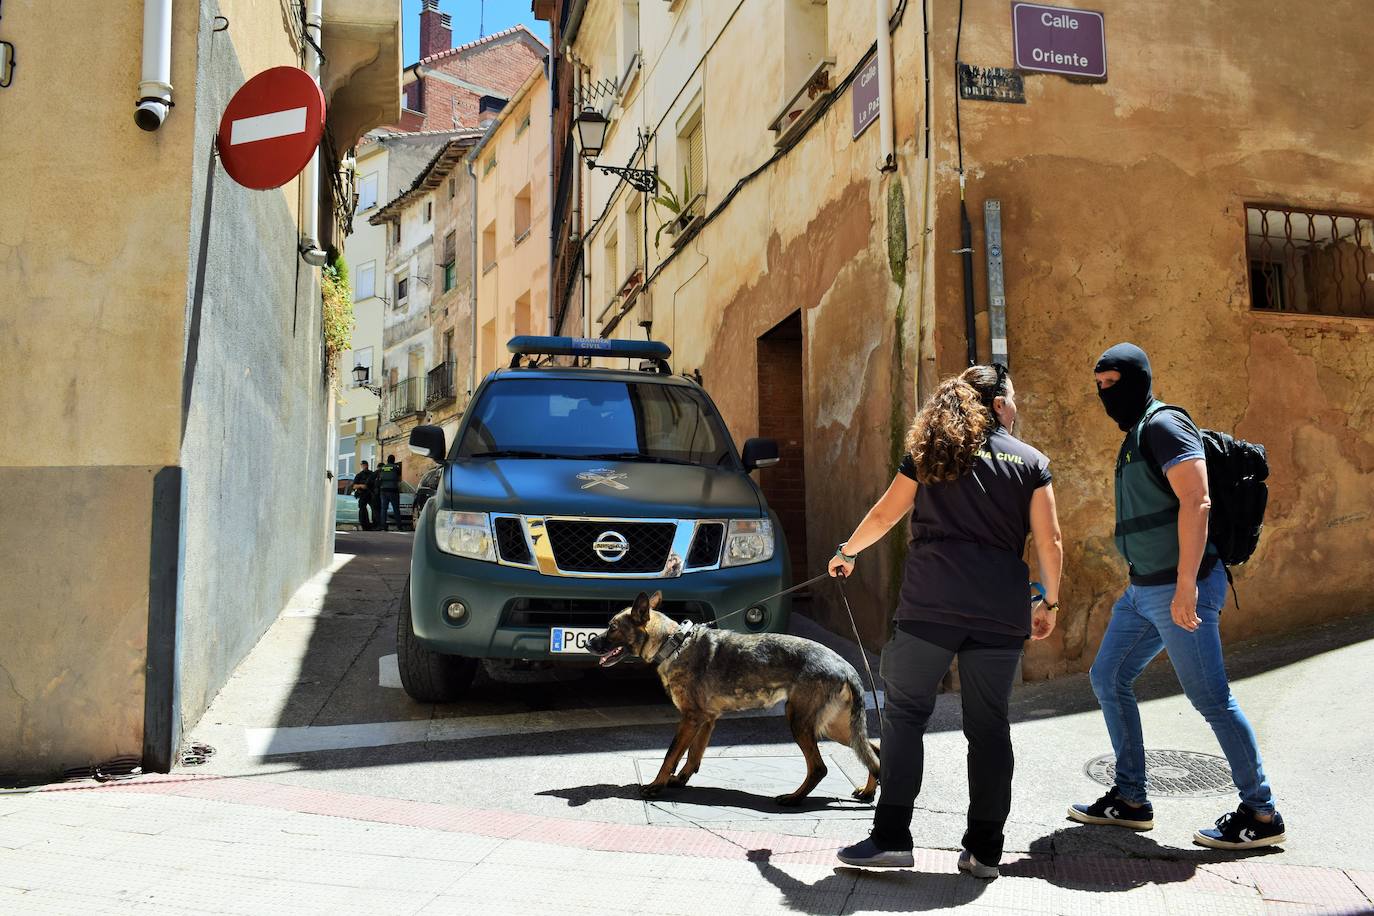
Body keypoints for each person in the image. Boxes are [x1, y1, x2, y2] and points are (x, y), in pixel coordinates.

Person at [833, 364, 1063, 879]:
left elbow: (885, 515)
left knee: (906, 717)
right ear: (1000, 403)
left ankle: (891, 838)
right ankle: (984, 850)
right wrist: (1048, 602)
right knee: (988, 729)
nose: (1017, 405)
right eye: (1015, 397)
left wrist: (847, 552)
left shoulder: (931, 453)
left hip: (929, 607)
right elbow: (1050, 542)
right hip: (1000, 613)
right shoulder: (1031, 462)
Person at [1069, 343, 1284, 850]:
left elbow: (1197, 498)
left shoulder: (1164, 425)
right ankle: (1130, 799)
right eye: (1099, 385)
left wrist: (1187, 584)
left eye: (1113, 382)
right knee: (1109, 677)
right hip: (1143, 589)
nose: (1105, 394)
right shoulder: (1136, 433)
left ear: (1140, 378)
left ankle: (1261, 810)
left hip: (1178, 587)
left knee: (1212, 699)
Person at [376, 454, 403, 531]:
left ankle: (383, 527)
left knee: (383, 509)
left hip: (383, 491)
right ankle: (399, 527)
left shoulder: (382, 468)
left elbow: (379, 479)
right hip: (393, 490)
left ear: (387, 460)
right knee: (396, 509)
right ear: (394, 460)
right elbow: (399, 478)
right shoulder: (396, 468)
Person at [351, 460, 375, 530]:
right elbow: (354, 486)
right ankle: (364, 524)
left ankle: (374, 525)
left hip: (371, 494)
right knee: (362, 509)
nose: (363, 466)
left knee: (374, 509)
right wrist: (361, 486)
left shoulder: (372, 474)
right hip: (363, 494)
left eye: (364, 465)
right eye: (362, 465)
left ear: (367, 465)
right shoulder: (359, 475)